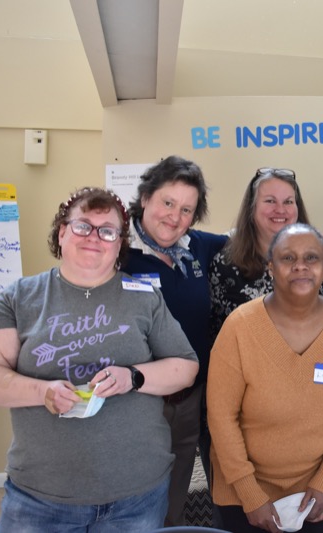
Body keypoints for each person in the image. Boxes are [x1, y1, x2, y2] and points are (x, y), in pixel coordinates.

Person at [0, 187, 199, 532]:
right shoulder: (20, 297)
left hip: (136, 495)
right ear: (62, 232)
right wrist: (41, 392)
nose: (94, 237)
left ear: (119, 243)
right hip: (40, 497)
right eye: (82, 226)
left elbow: (186, 367)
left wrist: (132, 377)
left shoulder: (144, 298)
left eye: (107, 231)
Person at [207, 223, 323, 533]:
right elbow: (221, 416)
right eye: (287, 258)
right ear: (270, 267)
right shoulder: (239, 326)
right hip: (244, 492)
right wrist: (250, 494)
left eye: (311, 258)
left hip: (315, 491)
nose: (300, 267)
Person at [124, 155, 228, 526]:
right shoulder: (116, 250)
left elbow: (257, 238)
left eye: (186, 209)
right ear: (146, 197)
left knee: (176, 488)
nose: (175, 216)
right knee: (133, 492)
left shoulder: (198, 247)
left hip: (189, 396)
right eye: (168, 203)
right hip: (136, 398)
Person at [209, 167, 310, 337]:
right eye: (270, 201)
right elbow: (217, 334)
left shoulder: (317, 261)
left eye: (288, 202)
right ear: (252, 207)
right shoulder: (224, 265)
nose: (280, 209)